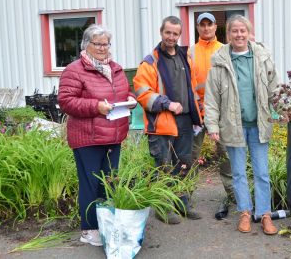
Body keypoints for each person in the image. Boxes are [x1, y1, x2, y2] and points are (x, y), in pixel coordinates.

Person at [58, 24, 136, 247]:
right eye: (98, 43)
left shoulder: (116, 68)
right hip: (88, 139)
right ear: (86, 45)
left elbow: (123, 92)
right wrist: (96, 107)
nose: (103, 48)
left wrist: (130, 99)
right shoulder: (74, 70)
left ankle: (106, 223)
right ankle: (89, 229)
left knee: (108, 183)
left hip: (113, 136)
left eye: (106, 44)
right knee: (90, 184)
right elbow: (66, 101)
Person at [204, 15, 280, 235]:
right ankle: (245, 213)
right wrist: (213, 126)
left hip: (259, 124)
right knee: (238, 173)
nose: (239, 35)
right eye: (234, 31)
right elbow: (211, 98)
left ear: (249, 33)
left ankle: (264, 214)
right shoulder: (219, 62)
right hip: (233, 125)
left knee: (262, 172)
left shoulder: (262, 57)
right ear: (228, 35)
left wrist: (286, 111)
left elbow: (276, 89)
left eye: (242, 31)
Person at [133, 16, 203, 224]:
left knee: (183, 165)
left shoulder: (185, 58)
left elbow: (194, 88)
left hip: (185, 122)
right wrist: (166, 103)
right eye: (168, 32)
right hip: (162, 123)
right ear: (161, 32)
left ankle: (182, 204)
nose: (171, 37)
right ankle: (163, 208)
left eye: (175, 33)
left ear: (179, 35)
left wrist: (199, 113)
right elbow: (142, 93)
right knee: (163, 166)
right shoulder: (150, 62)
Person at [188, 12, 236, 213]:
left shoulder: (225, 51)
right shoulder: (190, 52)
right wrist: (194, 104)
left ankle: (234, 195)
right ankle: (185, 196)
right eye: (202, 25)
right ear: (198, 28)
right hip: (197, 112)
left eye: (210, 24)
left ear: (216, 27)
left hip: (221, 112)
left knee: (227, 154)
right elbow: (187, 82)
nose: (206, 28)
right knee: (190, 156)